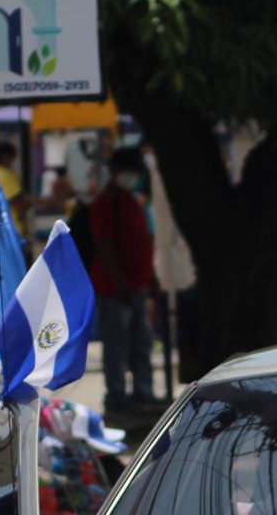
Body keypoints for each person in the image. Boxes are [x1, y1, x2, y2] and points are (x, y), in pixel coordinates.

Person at [90, 147, 158, 412]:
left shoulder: (130, 201)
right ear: (116, 170)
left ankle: (143, 392)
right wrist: (122, 285)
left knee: (142, 342)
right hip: (115, 290)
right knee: (117, 346)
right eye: (130, 170)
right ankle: (117, 397)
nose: (133, 175)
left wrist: (149, 280)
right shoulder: (107, 203)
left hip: (137, 287)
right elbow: (104, 246)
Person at [0, 140, 26, 239]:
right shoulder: (6, 175)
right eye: (12, 158)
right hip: (12, 230)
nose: (12, 162)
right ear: (4, 157)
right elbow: (18, 203)